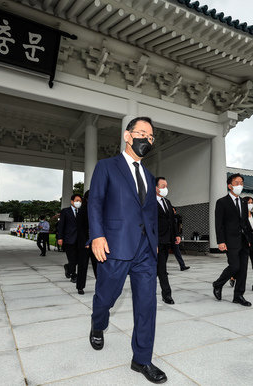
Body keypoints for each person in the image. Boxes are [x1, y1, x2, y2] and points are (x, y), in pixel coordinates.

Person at [88, 116, 167, 383]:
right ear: (128, 135)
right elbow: (95, 202)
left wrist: (155, 244)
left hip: (145, 251)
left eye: (151, 136)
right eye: (142, 133)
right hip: (115, 246)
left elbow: (150, 213)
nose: (147, 139)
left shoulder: (149, 175)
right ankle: (98, 323)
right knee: (106, 298)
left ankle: (142, 359)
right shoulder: (107, 167)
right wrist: (97, 235)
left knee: (147, 305)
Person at [212, 173, 253, 307]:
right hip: (230, 240)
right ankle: (218, 284)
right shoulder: (222, 202)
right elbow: (219, 224)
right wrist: (220, 241)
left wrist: (249, 238)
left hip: (243, 240)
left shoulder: (243, 202)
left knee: (243, 269)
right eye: (237, 183)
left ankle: (238, 295)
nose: (240, 185)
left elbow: (245, 222)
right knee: (235, 266)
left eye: (241, 183)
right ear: (230, 185)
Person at [156, 177, 181, 304]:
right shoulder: (149, 202)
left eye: (166, 186)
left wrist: (176, 234)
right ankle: (167, 294)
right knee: (161, 269)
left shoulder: (167, 202)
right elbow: (148, 223)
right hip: (156, 241)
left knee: (159, 268)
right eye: (162, 186)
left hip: (167, 241)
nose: (165, 188)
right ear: (155, 188)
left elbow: (172, 220)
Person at [76, 190, 98, 295]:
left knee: (99, 266)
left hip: (96, 243)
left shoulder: (98, 209)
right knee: (82, 266)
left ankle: (101, 286)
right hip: (85, 244)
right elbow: (79, 229)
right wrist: (86, 242)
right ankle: (80, 287)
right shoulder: (83, 210)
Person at [58, 194, 83, 284]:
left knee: (77, 259)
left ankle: (68, 268)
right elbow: (61, 226)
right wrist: (60, 237)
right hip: (69, 239)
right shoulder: (65, 211)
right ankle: (73, 275)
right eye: (77, 200)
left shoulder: (82, 211)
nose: (78, 202)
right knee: (72, 259)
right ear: (72, 201)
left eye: (80, 201)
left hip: (80, 240)